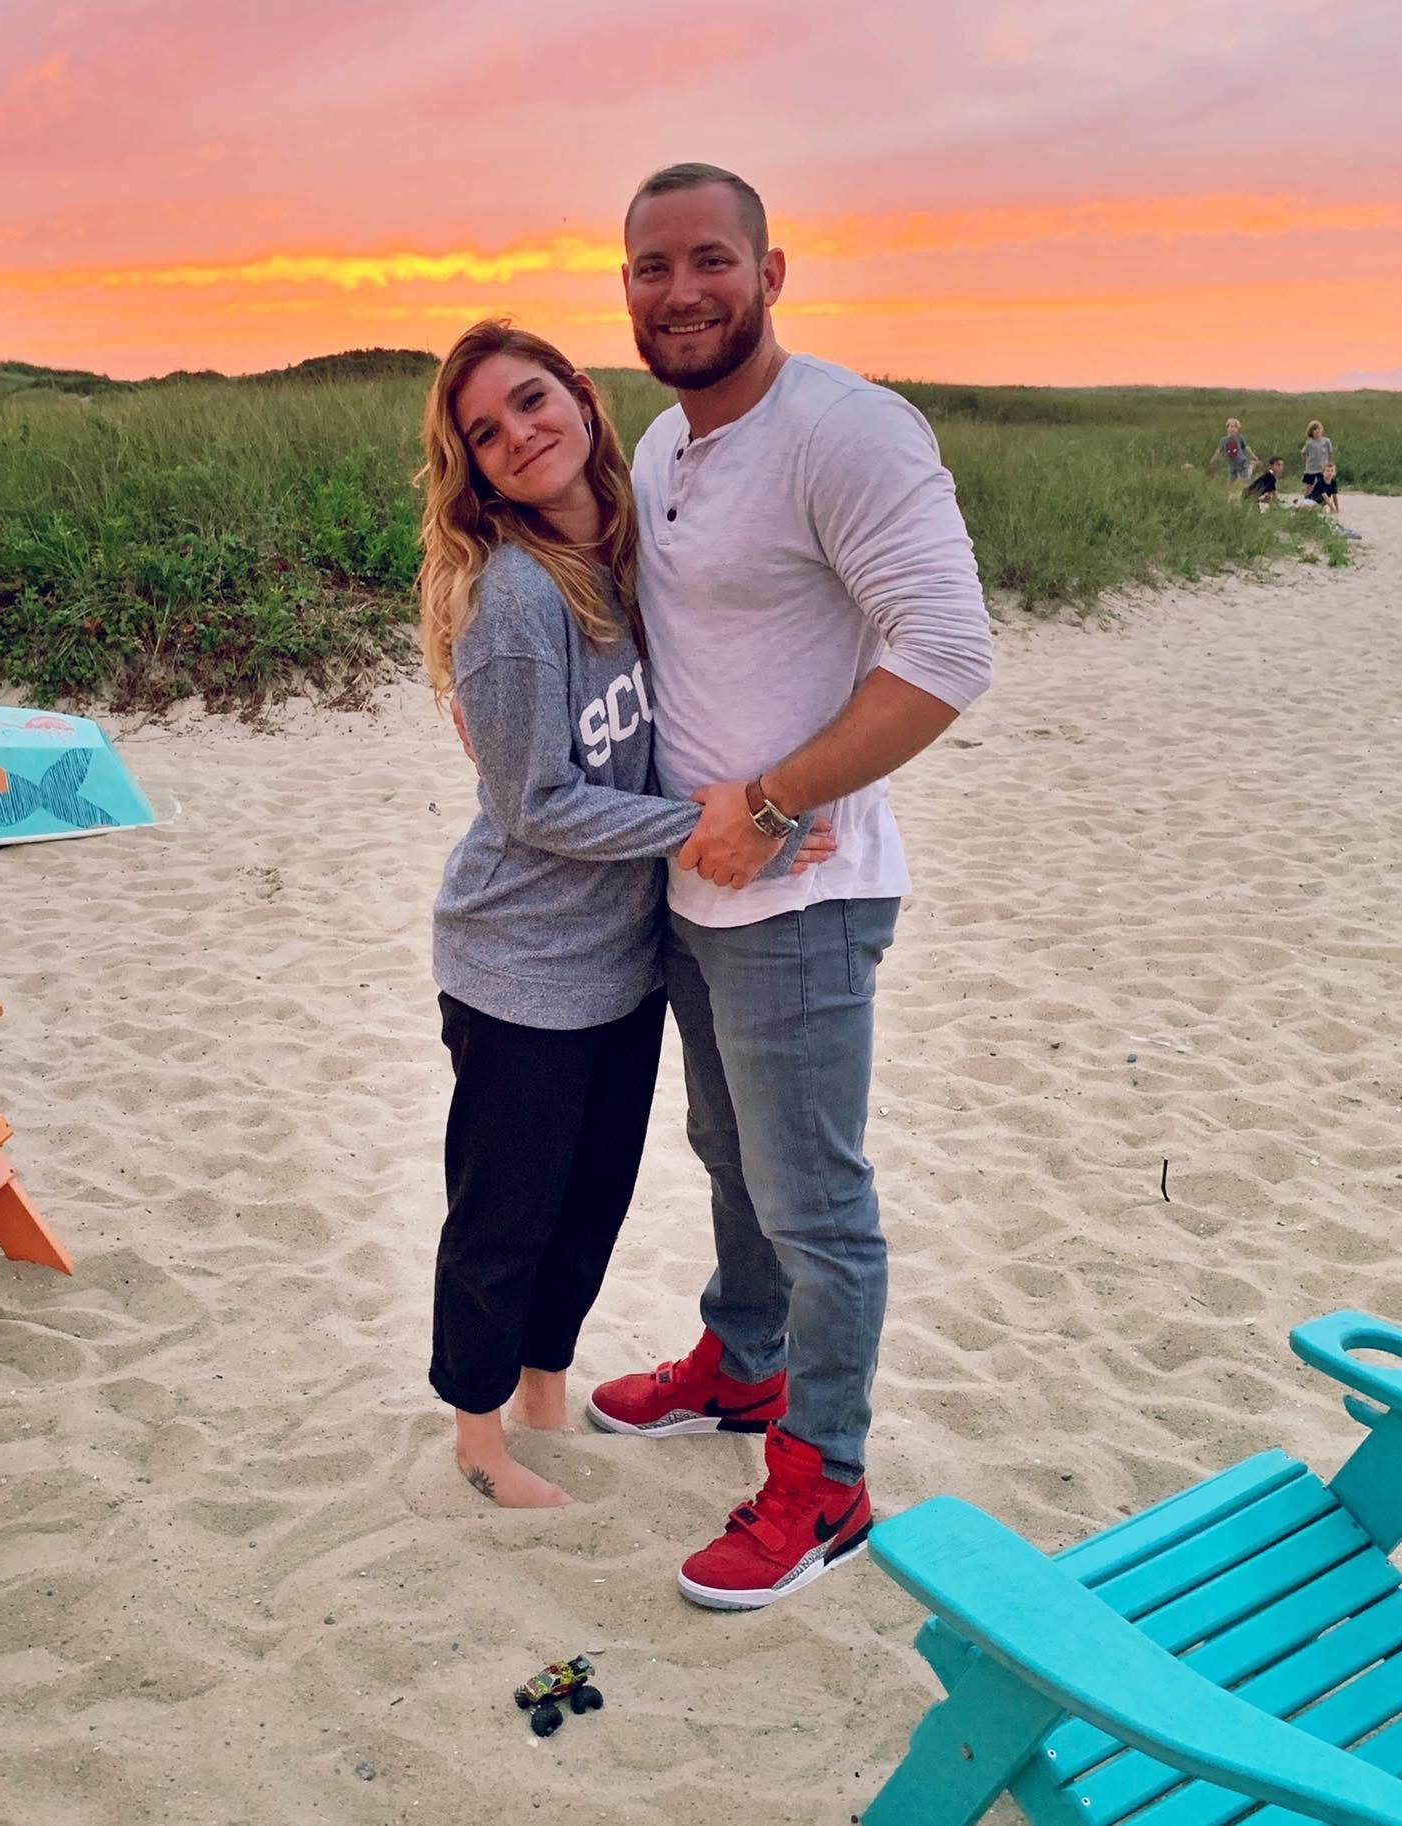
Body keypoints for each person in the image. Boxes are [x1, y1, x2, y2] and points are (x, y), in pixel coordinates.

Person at [585, 163, 993, 1610]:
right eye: (651, 268)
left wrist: (774, 803)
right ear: (624, 287)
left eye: (710, 259)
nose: (681, 291)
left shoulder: (844, 428)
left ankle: (826, 1476)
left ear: (769, 271)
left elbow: (947, 651)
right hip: (691, 889)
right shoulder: (663, 442)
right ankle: (743, 1362)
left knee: (815, 1198)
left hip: (804, 896)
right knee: (727, 1153)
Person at [420, 321, 836, 1510]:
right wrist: (718, 825)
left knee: (590, 1198)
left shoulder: (629, 553)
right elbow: (534, 802)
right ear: (471, 466)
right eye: (484, 432)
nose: (517, 435)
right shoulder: (514, 595)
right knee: (504, 1213)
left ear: (582, 397)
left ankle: (544, 1394)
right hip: (517, 960)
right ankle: (479, 1435)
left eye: (529, 400)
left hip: (623, 957)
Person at [1210, 418, 1253, 491]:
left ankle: (1251, 468)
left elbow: (1247, 447)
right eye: (1231, 426)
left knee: (1245, 480)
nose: (1233, 429)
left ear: (1237, 430)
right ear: (1227, 428)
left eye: (1235, 427)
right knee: (1230, 484)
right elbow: (1218, 451)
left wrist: (1253, 456)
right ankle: (1229, 494)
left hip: (1242, 463)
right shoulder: (1223, 440)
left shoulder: (1240, 438)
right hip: (1232, 465)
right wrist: (1213, 460)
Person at [1301, 420, 1336, 491]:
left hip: (1323, 468)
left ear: (1322, 430)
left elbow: (1330, 453)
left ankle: (1324, 497)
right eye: (1315, 429)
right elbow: (1303, 453)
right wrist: (1306, 463)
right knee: (1309, 486)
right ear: (1311, 432)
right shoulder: (1309, 442)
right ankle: (1307, 497)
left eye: (1319, 429)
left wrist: (1330, 464)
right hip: (1311, 469)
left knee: (1324, 484)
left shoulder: (1326, 441)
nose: (1317, 431)